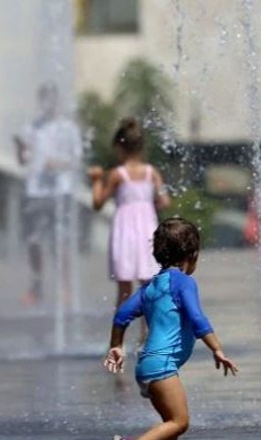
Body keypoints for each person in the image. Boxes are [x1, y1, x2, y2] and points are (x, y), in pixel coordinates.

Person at [104, 218, 238, 440]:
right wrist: (217, 349)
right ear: (192, 255)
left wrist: (116, 345)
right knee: (179, 422)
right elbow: (197, 319)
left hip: (146, 366)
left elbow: (121, 316)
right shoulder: (184, 283)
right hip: (161, 367)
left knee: (169, 429)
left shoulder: (150, 287)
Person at [89, 117, 170, 342]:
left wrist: (96, 180)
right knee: (148, 286)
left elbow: (98, 203)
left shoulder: (117, 175)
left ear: (120, 147)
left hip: (124, 233)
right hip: (147, 231)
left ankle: (118, 342)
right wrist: (147, 206)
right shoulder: (151, 173)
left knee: (124, 290)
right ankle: (148, 338)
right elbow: (164, 201)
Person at [14, 82, 82, 305]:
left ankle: (65, 289)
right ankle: (37, 286)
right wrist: (19, 149)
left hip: (60, 190)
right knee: (34, 241)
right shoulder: (31, 128)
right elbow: (22, 160)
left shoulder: (69, 128)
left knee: (60, 243)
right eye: (45, 99)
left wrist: (59, 164)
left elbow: (77, 160)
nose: (49, 104)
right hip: (36, 192)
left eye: (52, 99)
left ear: (58, 101)